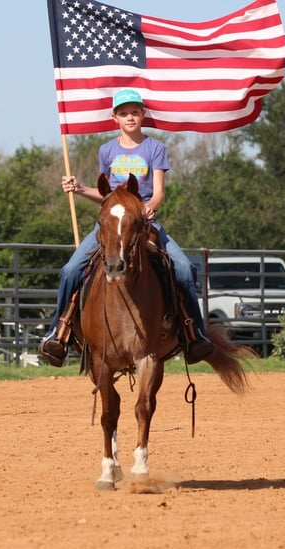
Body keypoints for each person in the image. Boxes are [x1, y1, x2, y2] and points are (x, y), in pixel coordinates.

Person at [38, 89, 213, 367]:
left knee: (183, 268)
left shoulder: (154, 148)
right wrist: (81, 188)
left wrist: (148, 207)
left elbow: (158, 193)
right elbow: (106, 194)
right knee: (71, 270)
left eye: (134, 112)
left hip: (142, 221)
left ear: (142, 114)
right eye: (123, 113)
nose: (129, 117)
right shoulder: (106, 150)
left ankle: (195, 333)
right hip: (112, 224)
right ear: (114, 118)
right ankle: (58, 332)